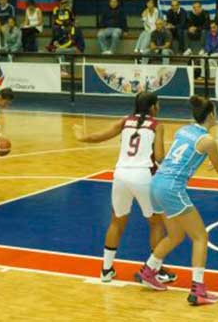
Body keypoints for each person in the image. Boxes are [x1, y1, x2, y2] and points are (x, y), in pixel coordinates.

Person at [73, 92, 176, 284]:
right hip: (143, 175)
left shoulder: (125, 121)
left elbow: (99, 136)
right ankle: (155, 269)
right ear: (153, 106)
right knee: (155, 223)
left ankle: (106, 270)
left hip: (120, 175)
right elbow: (160, 156)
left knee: (116, 222)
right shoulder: (157, 125)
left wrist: (81, 136)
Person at [134, 96, 218, 306]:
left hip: (156, 183)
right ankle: (198, 290)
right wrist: (214, 162)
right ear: (211, 115)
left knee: (175, 235)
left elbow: (179, 156)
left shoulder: (182, 130)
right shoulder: (208, 141)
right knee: (200, 237)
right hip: (171, 188)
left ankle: (149, 270)